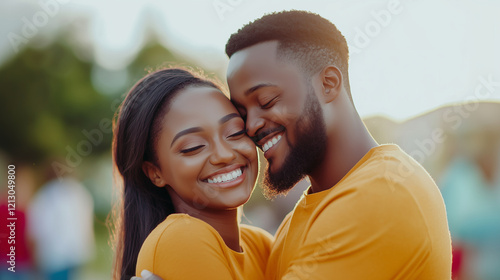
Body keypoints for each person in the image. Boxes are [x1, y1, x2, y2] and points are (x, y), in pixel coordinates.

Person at [138, 10, 452, 280]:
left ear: (328, 84)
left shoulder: (384, 191)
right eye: (242, 113)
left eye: (267, 100)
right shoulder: (299, 220)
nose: (251, 126)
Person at [112, 68, 272, 280]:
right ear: (155, 173)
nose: (223, 155)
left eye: (235, 132)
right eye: (193, 147)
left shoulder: (260, 245)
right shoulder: (180, 239)